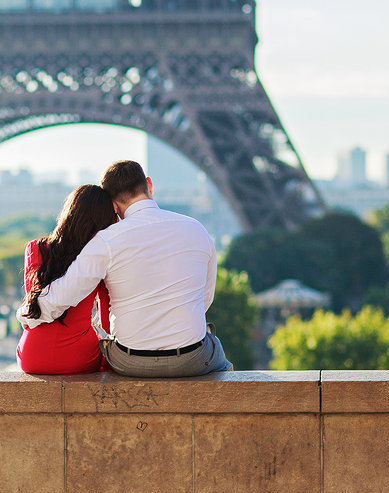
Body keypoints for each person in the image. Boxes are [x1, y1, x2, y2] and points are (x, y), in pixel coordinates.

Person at [17, 160, 230, 377]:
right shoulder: (197, 230)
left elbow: (63, 294)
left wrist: (27, 316)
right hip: (191, 359)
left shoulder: (105, 241)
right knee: (215, 347)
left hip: (130, 361)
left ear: (113, 206)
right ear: (149, 184)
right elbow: (203, 299)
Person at [15, 184, 118, 374]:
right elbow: (106, 320)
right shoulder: (99, 256)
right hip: (79, 357)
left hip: (32, 357)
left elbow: (35, 304)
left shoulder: (35, 248)